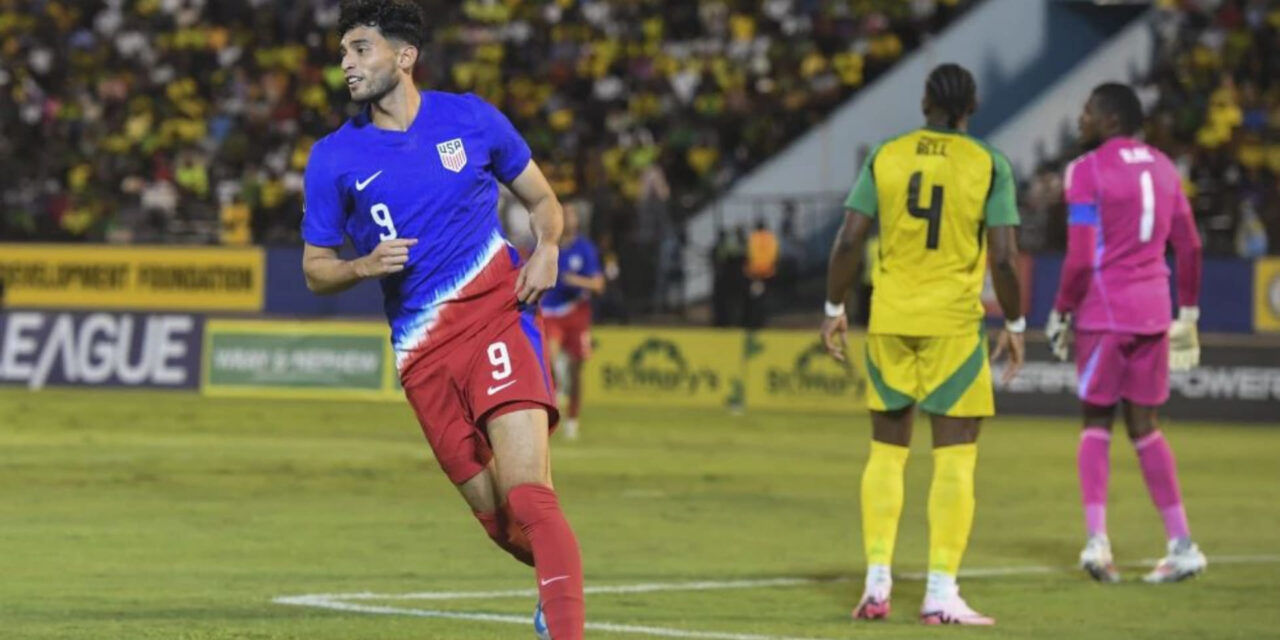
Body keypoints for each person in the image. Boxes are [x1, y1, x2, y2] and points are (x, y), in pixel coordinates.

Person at [298, 2, 583, 638]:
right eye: (343, 52)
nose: (347, 63)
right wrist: (362, 266)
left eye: (361, 49)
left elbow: (543, 201)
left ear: (404, 57)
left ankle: (565, 625)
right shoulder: (334, 158)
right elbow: (316, 269)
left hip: (497, 320)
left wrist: (548, 250)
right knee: (503, 528)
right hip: (422, 357)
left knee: (529, 495)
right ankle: (558, 578)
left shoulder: (472, 119)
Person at [821, 63, 1025, 626]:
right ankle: (939, 592)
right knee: (955, 456)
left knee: (886, 452)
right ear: (971, 107)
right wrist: (1017, 322)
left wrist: (835, 309)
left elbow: (848, 240)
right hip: (954, 325)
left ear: (925, 103)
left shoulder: (886, 155)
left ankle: (877, 584)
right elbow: (1005, 258)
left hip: (890, 317)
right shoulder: (989, 164)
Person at [1046, 83, 1206, 585]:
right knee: (1146, 427)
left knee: (1095, 422)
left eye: (1087, 111)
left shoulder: (1086, 171)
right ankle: (1182, 545)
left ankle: (1097, 542)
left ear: (1110, 118)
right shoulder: (1165, 167)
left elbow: (1078, 255)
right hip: (1155, 311)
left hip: (1105, 311)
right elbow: (1191, 246)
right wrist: (1190, 313)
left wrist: (1061, 310)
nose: (1081, 119)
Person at [541, 202, 605, 440]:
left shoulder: (585, 249)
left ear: (578, 221)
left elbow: (598, 285)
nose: (568, 219)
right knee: (550, 359)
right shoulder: (548, 245)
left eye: (571, 215)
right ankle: (555, 396)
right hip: (551, 311)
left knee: (578, 369)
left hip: (576, 311)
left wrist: (574, 281)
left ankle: (573, 417)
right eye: (564, 215)